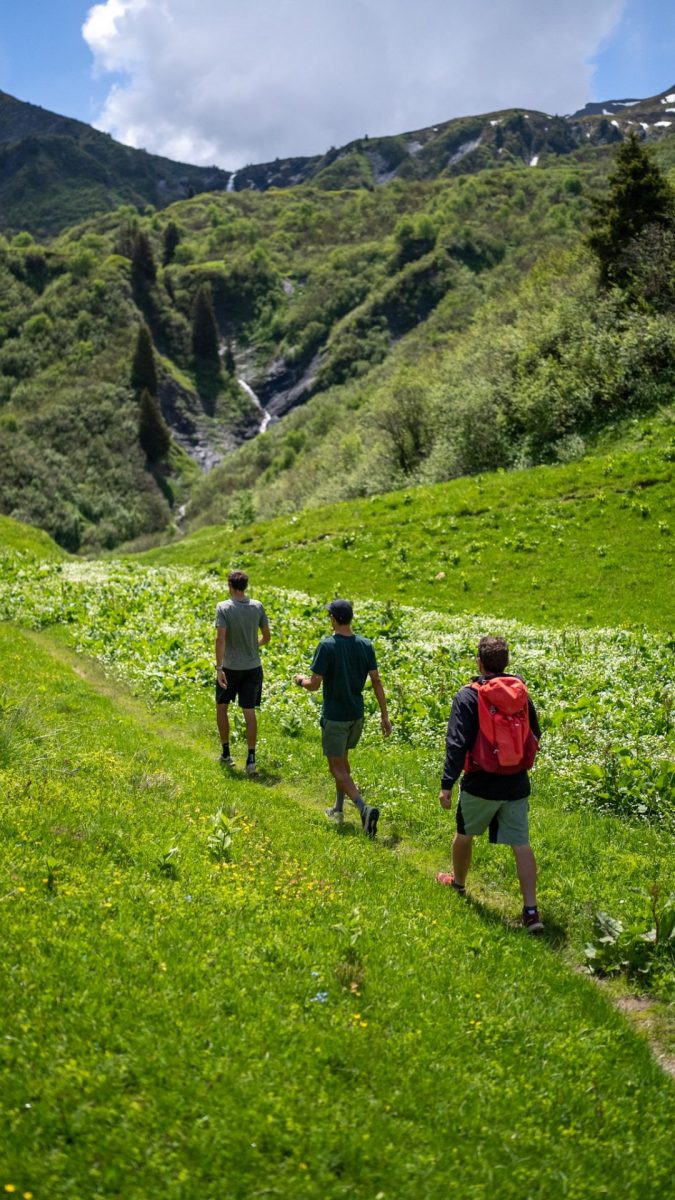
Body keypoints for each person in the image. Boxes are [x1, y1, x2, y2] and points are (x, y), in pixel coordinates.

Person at [436, 635, 544, 932]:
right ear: (506, 662)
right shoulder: (521, 692)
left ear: (479, 662)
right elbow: (535, 734)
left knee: (464, 833)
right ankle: (532, 912)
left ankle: (458, 884)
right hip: (516, 783)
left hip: (480, 782)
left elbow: (456, 744)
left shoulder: (468, 695)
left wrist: (447, 784)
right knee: (521, 844)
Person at [295, 598, 392, 836]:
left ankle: (363, 808)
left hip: (336, 716)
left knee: (336, 768)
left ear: (334, 619)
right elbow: (377, 681)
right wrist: (385, 716)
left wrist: (300, 681)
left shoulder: (327, 645)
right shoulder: (365, 645)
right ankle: (338, 808)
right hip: (356, 715)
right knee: (343, 762)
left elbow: (315, 685)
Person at [214, 569, 270, 775]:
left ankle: (226, 753)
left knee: (222, 707)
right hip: (253, 667)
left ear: (230, 586)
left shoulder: (223, 608)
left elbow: (220, 639)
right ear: (245, 586)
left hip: (229, 668)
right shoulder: (257, 607)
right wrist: (253, 646)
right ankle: (251, 758)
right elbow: (266, 637)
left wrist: (219, 667)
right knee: (249, 712)